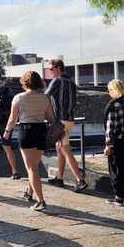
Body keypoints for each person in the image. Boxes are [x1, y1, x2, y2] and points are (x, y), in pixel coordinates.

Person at [3, 71, 56, 212]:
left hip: (26, 131)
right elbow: (51, 118)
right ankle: (30, 192)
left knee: (31, 168)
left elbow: (12, 119)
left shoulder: (18, 98)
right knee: (35, 166)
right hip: (41, 131)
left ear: (24, 82)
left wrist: (7, 131)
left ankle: (41, 201)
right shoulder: (45, 98)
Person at [44, 59, 88, 192]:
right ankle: (59, 178)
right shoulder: (72, 82)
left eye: (51, 69)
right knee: (61, 150)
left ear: (58, 68)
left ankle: (80, 180)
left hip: (60, 122)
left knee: (65, 150)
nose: (49, 72)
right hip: (70, 120)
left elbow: (45, 97)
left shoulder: (57, 81)